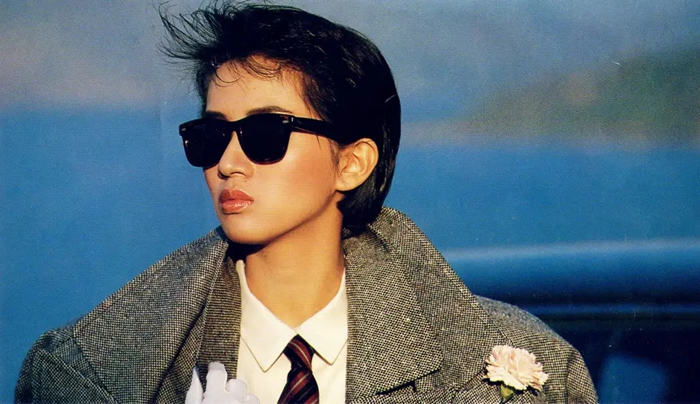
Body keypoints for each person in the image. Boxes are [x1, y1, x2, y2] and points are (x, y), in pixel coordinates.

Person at [15, 2, 597, 403]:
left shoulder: (526, 373)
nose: (228, 162)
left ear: (352, 163)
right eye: (211, 135)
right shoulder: (89, 373)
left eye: (266, 133)